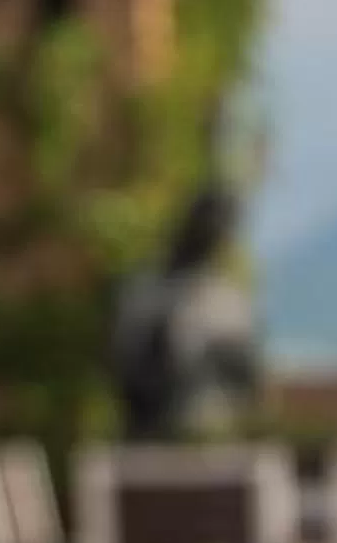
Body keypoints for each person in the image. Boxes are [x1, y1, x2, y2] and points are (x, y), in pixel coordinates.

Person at [111, 186, 261, 441]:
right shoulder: (145, 292)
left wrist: (211, 356)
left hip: (213, 443)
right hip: (150, 443)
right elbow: (125, 370)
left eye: (219, 229)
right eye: (206, 225)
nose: (211, 235)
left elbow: (247, 380)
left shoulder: (229, 301)